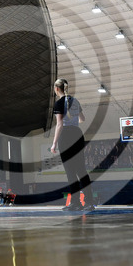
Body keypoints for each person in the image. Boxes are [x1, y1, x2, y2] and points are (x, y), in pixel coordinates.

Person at [50, 78, 94, 211]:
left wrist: (54, 144)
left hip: (66, 136)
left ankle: (75, 203)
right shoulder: (75, 101)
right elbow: (82, 119)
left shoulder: (58, 103)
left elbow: (59, 125)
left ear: (57, 89)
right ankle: (89, 202)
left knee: (70, 171)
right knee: (81, 169)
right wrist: (74, 122)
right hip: (77, 134)